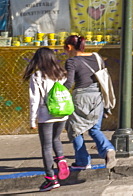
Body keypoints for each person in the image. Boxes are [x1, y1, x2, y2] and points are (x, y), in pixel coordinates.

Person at [63, 35, 116, 171]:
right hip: (98, 96)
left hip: (81, 98)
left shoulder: (72, 61)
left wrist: (56, 93)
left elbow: (69, 83)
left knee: (75, 130)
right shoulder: (97, 57)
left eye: (65, 49)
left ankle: (83, 161)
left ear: (69, 47)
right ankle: (108, 149)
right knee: (94, 128)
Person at [24, 47, 70, 192]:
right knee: (56, 139)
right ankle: (61, 159)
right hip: (62, 112)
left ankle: (51, 179)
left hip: (46, 114)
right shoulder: (61, 74)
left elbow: (34, 100)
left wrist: (32, 121)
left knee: (46, 147)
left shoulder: (37, 76)